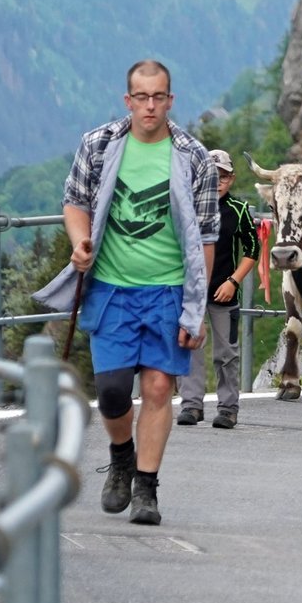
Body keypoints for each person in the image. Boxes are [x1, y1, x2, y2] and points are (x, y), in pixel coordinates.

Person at [34, 60, 218, 525]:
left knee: (158, 386)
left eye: (159, 97)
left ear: (171, 101)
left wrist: (194, 311)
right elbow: (75, 202)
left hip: (168, 291)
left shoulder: (193, 156)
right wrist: (80, 243)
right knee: (114, 393)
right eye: (142, 97)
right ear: (128, 100)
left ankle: (146, 489)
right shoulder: (98, 145)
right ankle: (121, 454)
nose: (150, 106)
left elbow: (207, 238)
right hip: (112, 290)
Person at [176, 149, 257, 429]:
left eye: (222, 176)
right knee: (189, 348)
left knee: (227, 352)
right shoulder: (186, 209)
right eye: (211, 176)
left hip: (224, 292)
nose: (217, 181)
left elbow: (253, 248)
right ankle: (191, 405)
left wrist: (233, 281)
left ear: (231, 179)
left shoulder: (239, 210)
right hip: (191, 293)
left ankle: (228, 408)